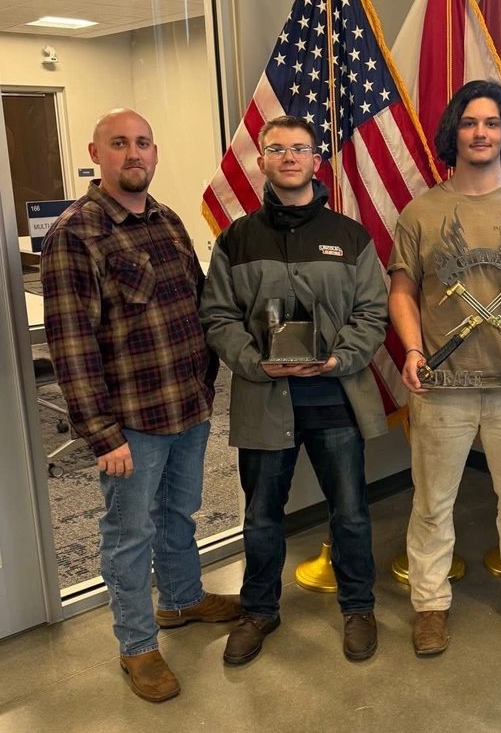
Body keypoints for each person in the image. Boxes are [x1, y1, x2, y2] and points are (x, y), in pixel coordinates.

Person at [40, 109, 240, 703]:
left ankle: (180, 598)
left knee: (180, 512)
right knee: (128, 534)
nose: (135, 154)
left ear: (155, 154)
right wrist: (103, 435)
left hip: (188, 406)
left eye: (144, 144)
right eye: (120, 144)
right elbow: (71, 345)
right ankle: (137, 646)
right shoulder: (76, 234)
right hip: (131, 423)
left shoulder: (167, 218)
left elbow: (197, 307)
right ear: (96, 154)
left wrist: (209, 384)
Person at [199, 115, 388, 665]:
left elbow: (373, 312)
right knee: (261, 517)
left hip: (334, 399)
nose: (288, 157)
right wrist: (256, 363)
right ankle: (259, 612)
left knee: (350, 513)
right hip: (265, 402)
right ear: (261, 160)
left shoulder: (349, 236)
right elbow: (217, 314)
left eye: (299, 149)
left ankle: (358, 607)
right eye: (276, 149)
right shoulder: (236, 238)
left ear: (316, 160)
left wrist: (338, 358)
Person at [388, 80, 501, 656]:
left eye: (491, 122)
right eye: (470, 122)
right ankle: (431, 607)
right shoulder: (421, 211)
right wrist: (414, 350)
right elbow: (403, 291)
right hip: (443, 386)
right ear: (455, 132)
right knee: (432, 503)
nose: (481, 132)